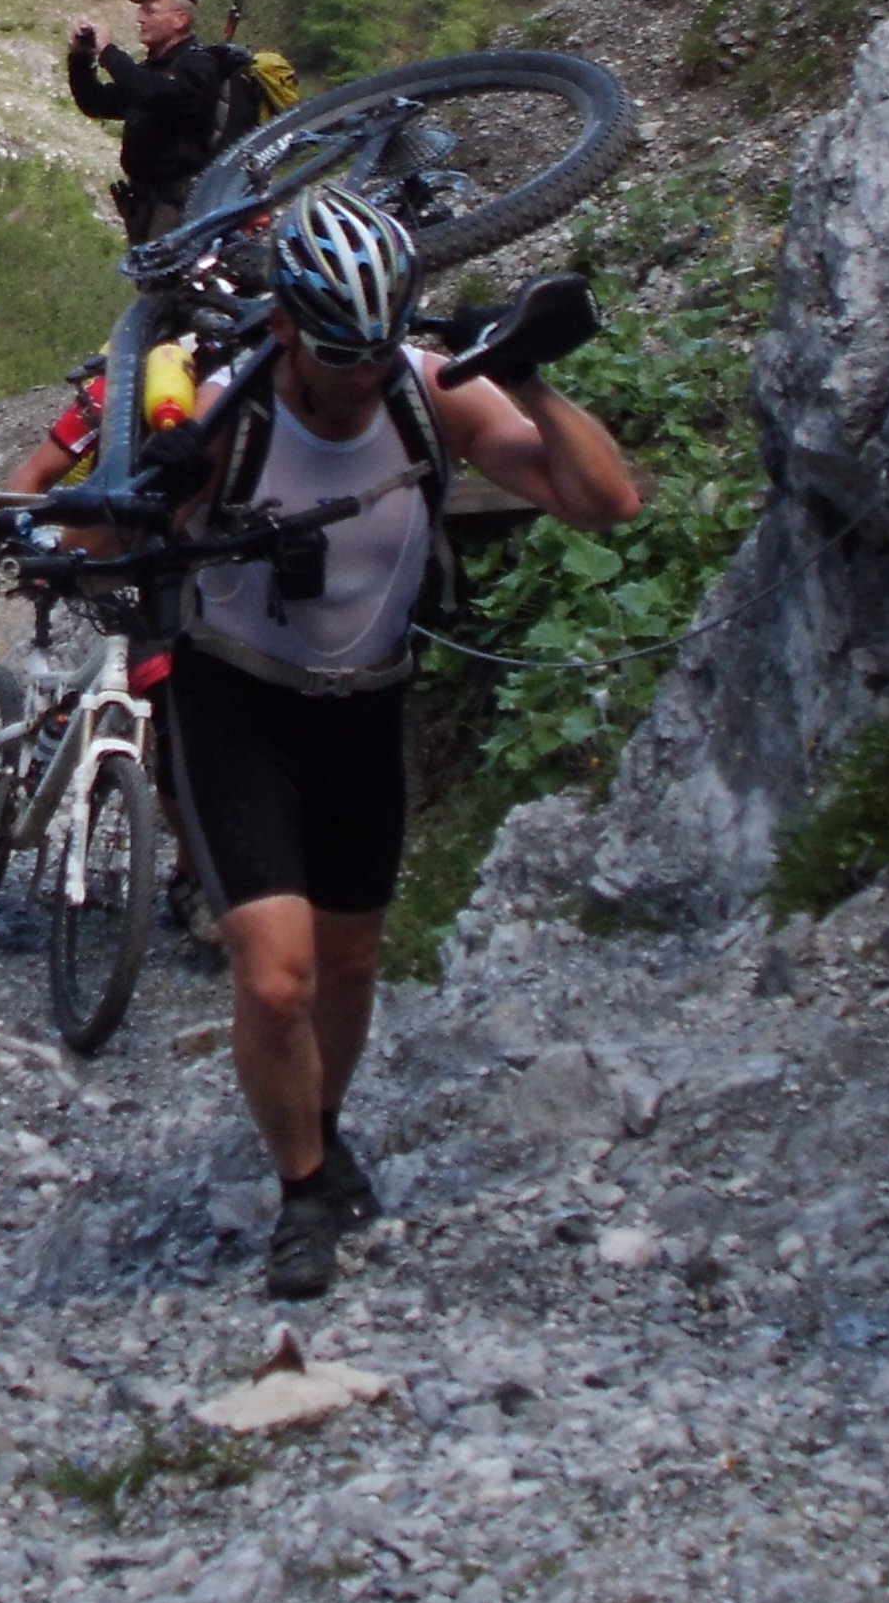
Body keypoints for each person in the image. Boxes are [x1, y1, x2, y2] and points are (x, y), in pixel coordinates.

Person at [155, 187, 641, 1300]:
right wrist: (157, 486)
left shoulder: (428, 397)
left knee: (351, 963)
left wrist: (523, 375)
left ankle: (324, 1134)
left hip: (367, 709)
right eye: (341, 358)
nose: (363, 378)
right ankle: (302, 1194)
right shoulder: (232, 412)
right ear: (286, 328)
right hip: (236, 704)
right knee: (276, 979)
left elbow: (604, 501)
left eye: (379, 352)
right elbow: (95, 542)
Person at [68, 0, 251, 242]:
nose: (140, 19)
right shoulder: (153, 70)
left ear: (180, 19)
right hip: (146, 206)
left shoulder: (198, 66)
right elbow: (95, 102)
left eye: (150, 11)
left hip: (178, 211)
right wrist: (80, 57)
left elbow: (151, 92)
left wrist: (108, 51)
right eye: (141, 11)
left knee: (168, 270)